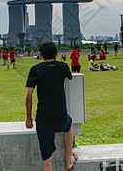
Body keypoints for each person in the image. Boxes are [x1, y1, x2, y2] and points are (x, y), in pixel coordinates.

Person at [25, 42, 77, 171]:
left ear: (41, 55)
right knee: (70, 125)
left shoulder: (35, 69)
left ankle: (65, 160)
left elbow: (29, 96)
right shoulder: (63, 67)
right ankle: (68, 160)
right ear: (56, 54)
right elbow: (70, 76)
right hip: (61, 118)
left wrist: (29, 118)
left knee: (47, 161)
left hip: (43, 120)